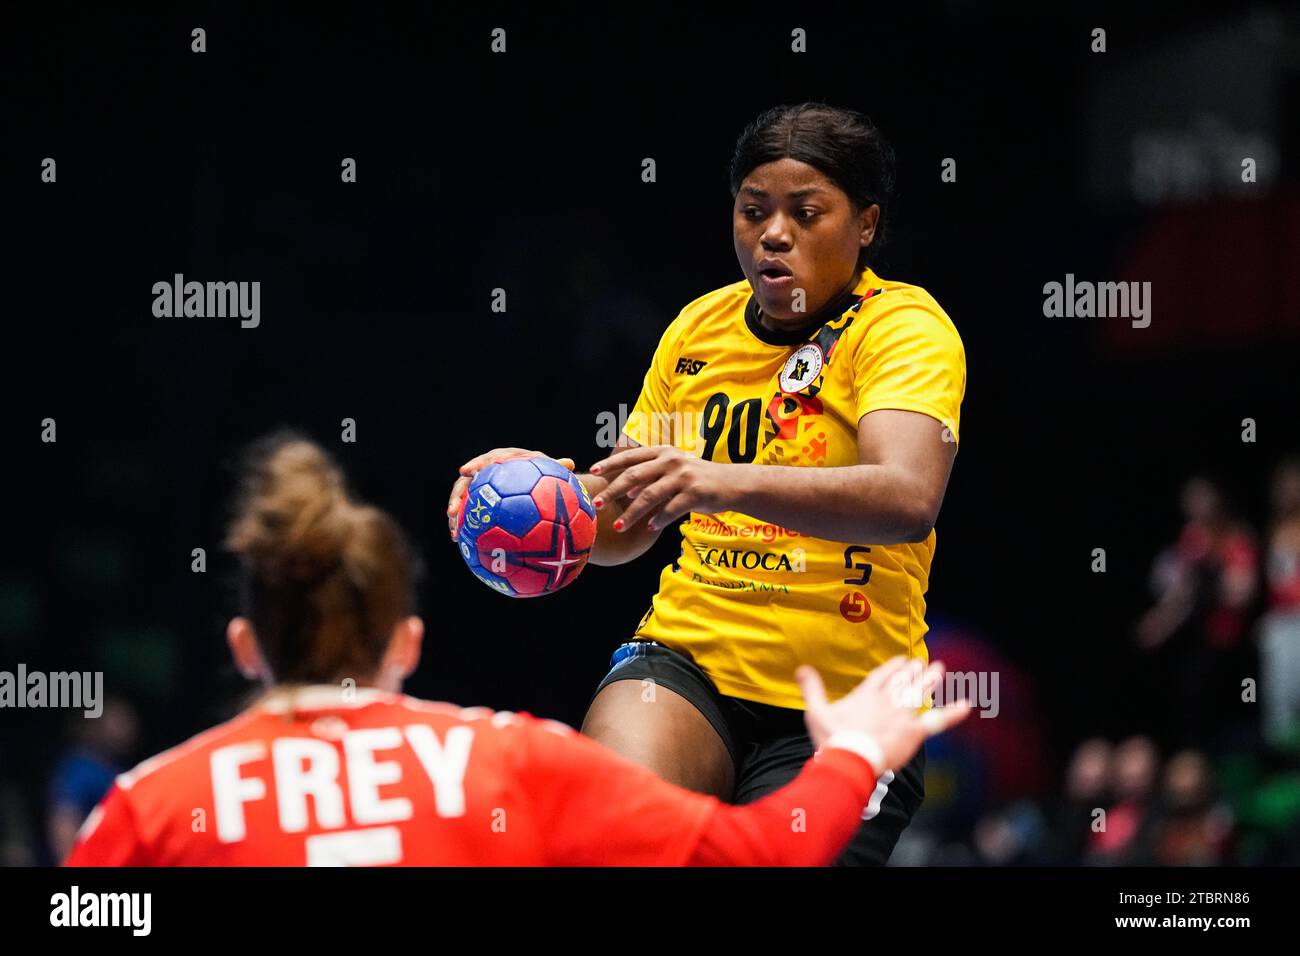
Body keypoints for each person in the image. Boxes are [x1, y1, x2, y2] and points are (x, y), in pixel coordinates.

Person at [449, 103, 966, 864]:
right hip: (688, 660)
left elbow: (907, 499)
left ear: (865, 224)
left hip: (845, 702)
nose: (774, 234)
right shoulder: (698, 330)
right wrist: (551, 498)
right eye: (753, 211)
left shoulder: (903, 330)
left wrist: (720, 482)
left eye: (806, 212)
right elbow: (627, 519)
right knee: (606, 836)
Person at [66, 434, 968, 867]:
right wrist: (853, 752)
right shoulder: (511, 762)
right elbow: (759, 852)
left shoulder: (149, 807)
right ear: (408, 643)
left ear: (243, 643)